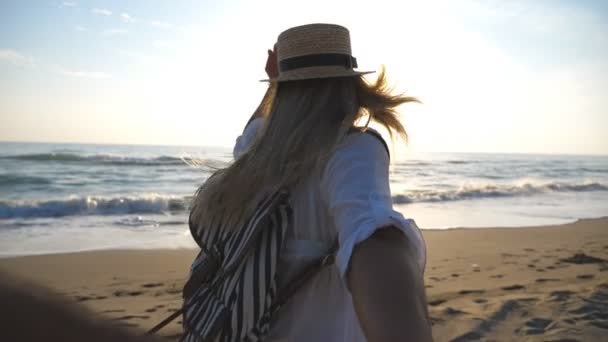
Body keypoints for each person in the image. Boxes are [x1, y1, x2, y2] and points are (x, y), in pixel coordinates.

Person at [190, 23, 432, 342]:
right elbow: (373, 239)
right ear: (349, 84)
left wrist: (274, 82)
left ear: (283, 92)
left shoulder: (257, 158)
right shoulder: (351, 150)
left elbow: (254, 127)